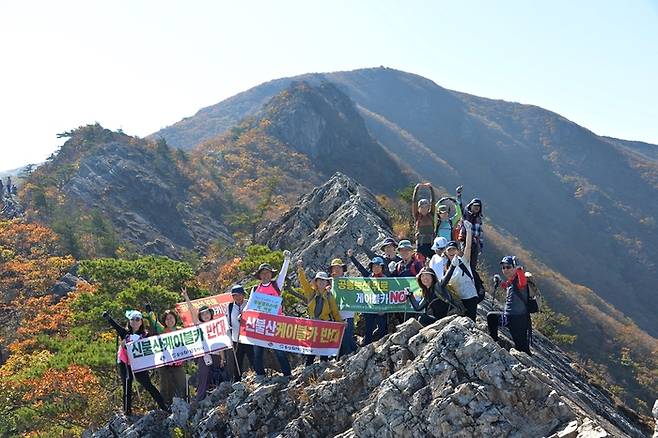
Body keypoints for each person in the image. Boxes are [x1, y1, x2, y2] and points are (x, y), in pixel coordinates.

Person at [102, 309, 168, 416]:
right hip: (125, 363)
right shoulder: (125, 333)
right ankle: (127, 411)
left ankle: (163, 406)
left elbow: (155, 333)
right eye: (132, 319)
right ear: (129, 321)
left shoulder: (145, 335)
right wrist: (107, 317)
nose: (135, 322)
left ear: (141, 321)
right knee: (127, 384)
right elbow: (115, 326)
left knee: (148, 385)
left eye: (137, 319)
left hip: (139, 364)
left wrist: (150, 312)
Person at [252, 251, 293, 382]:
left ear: (271, 274)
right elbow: (251, 305)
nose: (265, 275)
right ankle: (260, 375)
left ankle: (287, 374)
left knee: (279, 351)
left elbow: (283, 274)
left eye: (267, 272)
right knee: (257, 351)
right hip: (261, 324)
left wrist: (286, 260)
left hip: (275, 324)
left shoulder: (276, 285)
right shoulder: (255, 289)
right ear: (259, 276)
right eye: (263, 273)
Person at [180, 288, 227, 401]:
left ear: (211, 314)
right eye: (203, 314)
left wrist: (222, 358)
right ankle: (199, 400)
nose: (205, 315)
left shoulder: (217, 325)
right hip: (204, 355)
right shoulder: (199, 325)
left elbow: (221, 343)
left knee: (216, 376)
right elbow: (192, 311)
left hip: (216, 355)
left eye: (207, 313)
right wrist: (186, 298)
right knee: (203, 377)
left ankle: (218, 399)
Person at [486, 256, 532, 354]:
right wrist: (499, 280)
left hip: (518, 320)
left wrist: (519, 268)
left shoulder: (519, 279)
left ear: (514, 267)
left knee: (522, 347)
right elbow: (507, 286)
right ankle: (494, 341)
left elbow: (523, 283)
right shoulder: (512, 281)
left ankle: (529, 366)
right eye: (503, 267)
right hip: (509, 317)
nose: (505, 269)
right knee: (491, 317)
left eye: (508, 267)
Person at [144, 306, 187, 405]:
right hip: (165, 364)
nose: (169, 320)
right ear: (164, 321)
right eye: (167, 319)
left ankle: (185, 403)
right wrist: (150, 310)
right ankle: (165, 406)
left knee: (182, 384)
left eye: (171, 318)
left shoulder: (181, 330)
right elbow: (154, 321)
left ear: (175, 319)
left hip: (178, 363)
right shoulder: (162, 330)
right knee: (166, 386)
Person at [347, 249, 388, 345]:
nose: (376, 268)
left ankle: (383, 346)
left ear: (382, 267)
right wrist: (351, 257)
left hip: (381, 309)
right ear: (371, 267)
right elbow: (360, 267)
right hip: (369, 307)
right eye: (374, 266)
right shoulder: (368, 276)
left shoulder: (387, 279)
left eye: (378, 266)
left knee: (382, 328)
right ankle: (367, 346)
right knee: (368, 329)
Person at [442, 220, 479, 321]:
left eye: (454, 249)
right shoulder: (446, 267)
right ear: (446, 252)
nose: (452, 252)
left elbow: (468, 247)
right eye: (449, 250)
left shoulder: (463, 261)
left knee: (471, 321)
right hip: (458, 299)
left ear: (458, 251)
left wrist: (468, 230)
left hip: (470, 297)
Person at [302, 270, 342, 365]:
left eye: (324, 280)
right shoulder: (311, 293)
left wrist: (340, 322)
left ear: (326, 283)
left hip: (324, 325)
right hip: (312, 324)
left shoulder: (329, 295)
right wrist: (300, 270)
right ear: (315, 282)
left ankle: (323, 367)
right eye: (319, 280)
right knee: (311, 349)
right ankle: (308, 369)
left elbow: (334, 310)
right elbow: (303, 283)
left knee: (323, 349)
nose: (321, 282)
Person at [328, 257, 358, 356]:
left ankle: (354, 356)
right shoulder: (329, 284)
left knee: (346, 338)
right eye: (334, 268)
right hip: (335, 316)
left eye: (339, 268)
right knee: (340, 341)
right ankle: (354, 353)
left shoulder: (348, 282)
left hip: (347, 315)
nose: (336, 270)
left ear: (342, 270)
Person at [225, 284, 255, 381]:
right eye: (234, 295)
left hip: (249, 338)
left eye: (239, 294)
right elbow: (227, 321)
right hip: (236, 339)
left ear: (243, 295)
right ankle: (237, 380)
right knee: (237, 361)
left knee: (253, 358)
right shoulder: (229, 307)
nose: (237, 297)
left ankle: (258, 375)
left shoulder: (249, 304)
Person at [412, 183, 436, 259]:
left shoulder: (431, 215)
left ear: (428, 207)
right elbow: (414, 202)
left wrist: (431, 190)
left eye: (426, 207)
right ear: (419, 208)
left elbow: (433, 202)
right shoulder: (417, 215)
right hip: (421, 244)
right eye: (422, 207)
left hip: (431, 243)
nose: (424, 208)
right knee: (420, 263)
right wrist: (416, 190)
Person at [461, 198, 484, 275]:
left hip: (475, 244)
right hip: (465, 242)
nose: (476, 207)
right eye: (475, 205)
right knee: (464, 261)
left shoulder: (479, 218)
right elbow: (460, 206)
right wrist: (459, 195)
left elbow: (480, 233)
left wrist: (480, 245)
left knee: (472, 265)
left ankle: (471, 279)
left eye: (478, 206)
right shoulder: (466, 214)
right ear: (471, 206)